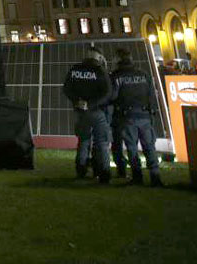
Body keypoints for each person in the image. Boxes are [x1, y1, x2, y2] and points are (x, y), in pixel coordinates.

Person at [110, 48, 164, 187]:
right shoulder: (144, 75)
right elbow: (152, 95)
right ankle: (155, 176)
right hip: (145, 115)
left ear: (118, 60)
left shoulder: (116, 77)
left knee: (132, 147)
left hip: (127, 116)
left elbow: (113, 97)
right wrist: (152, 113)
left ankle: (137, 176)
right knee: (149, 146)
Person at [63, 45, 113, 183]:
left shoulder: (75, 70)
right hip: (97, 112)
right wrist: (91, 104)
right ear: (98, 57)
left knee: (83, 141)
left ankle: (81, 170)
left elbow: (66, 89)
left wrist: (77, 101)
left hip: (80, 113)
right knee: (102, 143)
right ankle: (104, 174)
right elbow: (108, 93)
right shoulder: (100, 71)